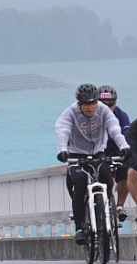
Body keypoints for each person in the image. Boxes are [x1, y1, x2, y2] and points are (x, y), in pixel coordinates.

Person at [55, 84, 130, 245]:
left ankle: (106, 209)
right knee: (80, 184)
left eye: (93, 103)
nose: (90, 108)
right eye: (86, 104)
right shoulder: (70, 112)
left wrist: (124, 146)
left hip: (98, 152)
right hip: (77, 154)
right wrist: (62, 149)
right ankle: (80, 227)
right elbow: (63, 130)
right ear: (79, 104)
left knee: (108, 180)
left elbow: (114, 129)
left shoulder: (103, 110)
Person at [97, 85, 132, 222]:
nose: (107, 108)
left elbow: (127, 133)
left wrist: (127, 149)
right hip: (98, 152)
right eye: (102, 104)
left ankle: (119, 206)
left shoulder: (121, 115)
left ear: (115, 103)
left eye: (110, 104)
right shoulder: (91, 117)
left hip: (116, 151)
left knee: (125, 172)